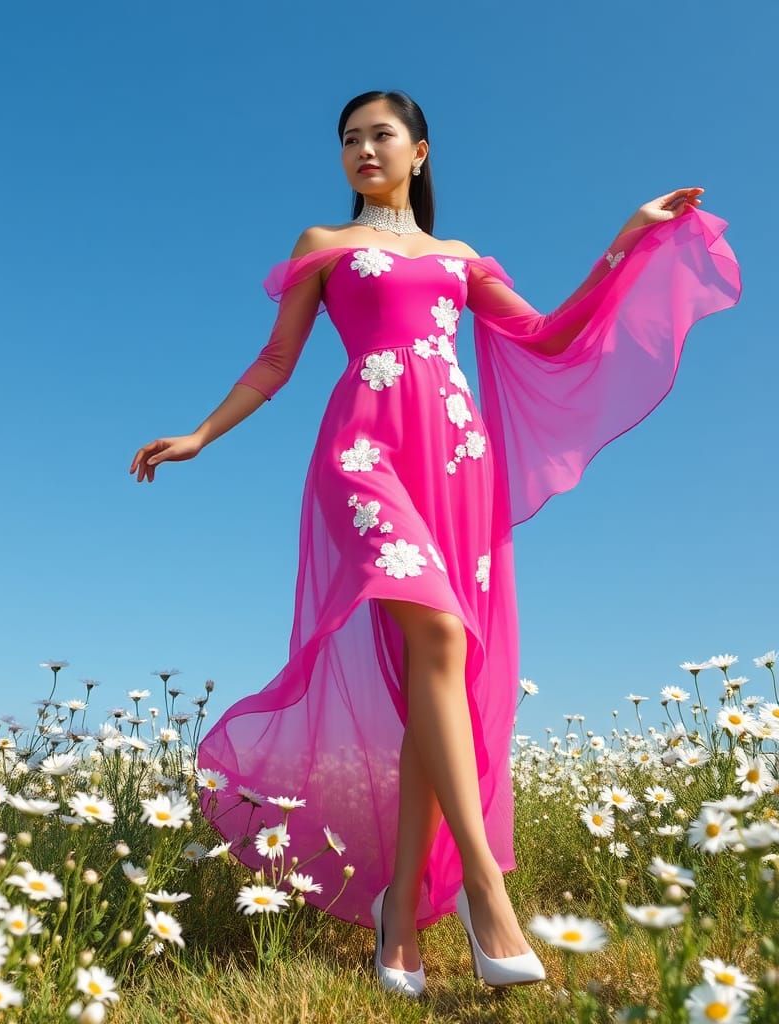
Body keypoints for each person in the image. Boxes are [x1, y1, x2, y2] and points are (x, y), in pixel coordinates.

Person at [128, 90, 741, 994]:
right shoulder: (324, 247)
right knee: (444, 639)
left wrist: (629, 238)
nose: (362, 149)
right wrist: (201, 433)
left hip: (456, 461)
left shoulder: (460, 259)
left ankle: (399, 910)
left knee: (434, 669)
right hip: (362, 454)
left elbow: (546, 332)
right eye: (347, 139)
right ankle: (487, 890)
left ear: (420, 150)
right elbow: (276, 361)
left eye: (380, 135)